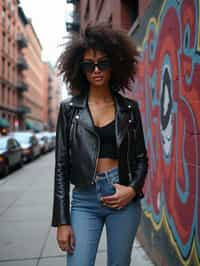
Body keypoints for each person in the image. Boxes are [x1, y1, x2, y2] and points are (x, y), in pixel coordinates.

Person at [51, 23, 148, 266]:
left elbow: (141, 158)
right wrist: (62, 220)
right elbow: (61, 166)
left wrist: (133, 189)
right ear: (79, 69)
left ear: (114, 65)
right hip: (84, 199)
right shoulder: (69, 110)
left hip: (123, 196)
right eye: (88, 65)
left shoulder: (129, 109)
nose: (96, 69)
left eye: (103, 63)